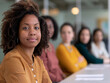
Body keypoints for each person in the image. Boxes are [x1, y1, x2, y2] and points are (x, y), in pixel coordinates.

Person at [0, 0, 52, 83]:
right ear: (16, 32)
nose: (32, 32)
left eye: (36, 28)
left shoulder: (37, 60)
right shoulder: (12, 59)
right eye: (25, 28)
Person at [40, 16, 64, 83]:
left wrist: (63, 76)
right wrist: (59, 79)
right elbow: (44, 72)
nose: (48, 30)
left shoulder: (51, 46)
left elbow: (57, 66)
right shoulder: (40, 48)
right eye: (45, 27)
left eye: (51, 27)